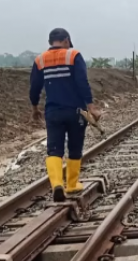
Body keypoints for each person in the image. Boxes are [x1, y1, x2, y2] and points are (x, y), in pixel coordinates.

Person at [30, 28, 101, 201]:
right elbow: (82, 82)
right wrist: (91, 107)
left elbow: (34, 87)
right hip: (75, 111)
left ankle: (57, 185)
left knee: (54, 149)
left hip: (53, 112)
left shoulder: (40, 60)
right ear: (66, 40)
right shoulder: (74, 55)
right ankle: (71, 184)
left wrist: (34, 108)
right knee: (75, 148)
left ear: (50, 42)